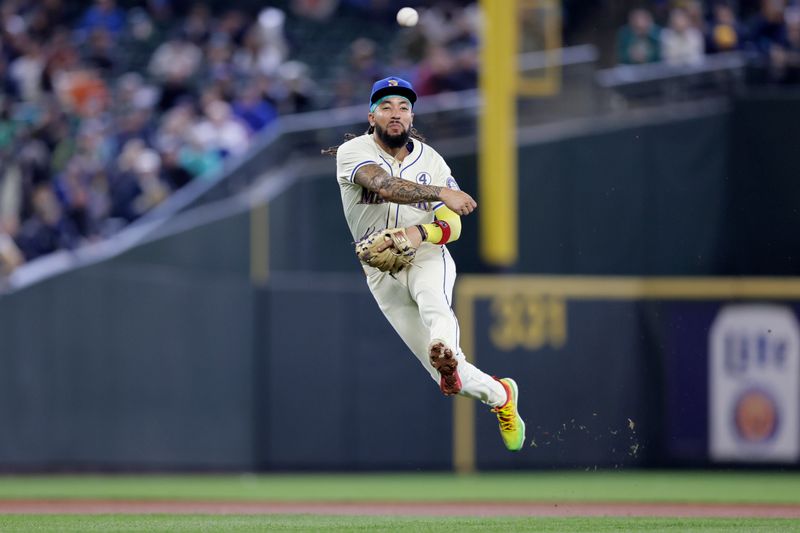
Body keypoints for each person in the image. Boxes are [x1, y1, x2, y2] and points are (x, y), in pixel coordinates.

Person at [322, 76, 525, 451]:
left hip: (425, 255)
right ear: (371, 117)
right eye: (386, 107)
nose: (395, 114)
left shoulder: (431, 161)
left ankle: (443, 349)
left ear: (412, 117)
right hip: (380, 270)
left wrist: (419, 234)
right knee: (450, 379)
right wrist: (441, 191)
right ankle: (500, 395)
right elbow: (384, 185)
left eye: (403, 107)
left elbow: (454, 225)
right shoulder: (354, 151)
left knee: (434, 301)